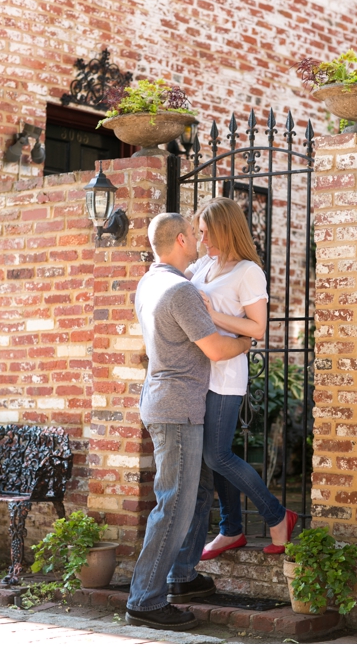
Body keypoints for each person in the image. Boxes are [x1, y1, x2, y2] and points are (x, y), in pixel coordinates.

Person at [126, 213, 252, 631]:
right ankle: (145, 599)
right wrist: (248, 338)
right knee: (175, 504)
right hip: (177, 409)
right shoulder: (180, 291)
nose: (199, 241)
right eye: (194, 235)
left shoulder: (149, 281)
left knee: (196, 493)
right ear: (181, 239)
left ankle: (182, 576)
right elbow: (215, 349)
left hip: (168, 401)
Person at [182, 198, 297, 562]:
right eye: (199, 234)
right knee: (210, 456)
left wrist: (213, 314)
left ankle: (279, 516)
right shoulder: (204, 264)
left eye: (207, 234)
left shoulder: (248, 272)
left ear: (226, 231)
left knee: (218, 454)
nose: (203, 242)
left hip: (226, 376)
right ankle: (231, 529)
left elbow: (257, 328)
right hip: (199, 374)